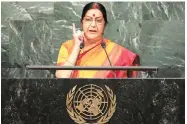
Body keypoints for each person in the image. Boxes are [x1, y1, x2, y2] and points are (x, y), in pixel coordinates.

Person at [56, 2, 140, 78]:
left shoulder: (116, 52)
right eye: (88, 20)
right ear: (82, 23)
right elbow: (62, 78)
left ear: (104, 25)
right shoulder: (68, 47)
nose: (93, 25)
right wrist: (77, 47)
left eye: (98, 21)